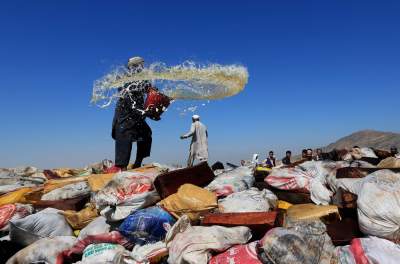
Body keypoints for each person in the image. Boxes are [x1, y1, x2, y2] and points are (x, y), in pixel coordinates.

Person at [111, 56, 153, 170]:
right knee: (125, 136)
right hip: (125, 113)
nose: (143, 68)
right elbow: (128, 99)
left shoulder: (142, 79)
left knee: (146, 134)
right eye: (141, 66)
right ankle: (122, 168)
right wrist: (144, 112)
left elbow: (149, 90)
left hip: (137, 113)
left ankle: (138, 163)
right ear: (135, 66)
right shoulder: (125, 78)